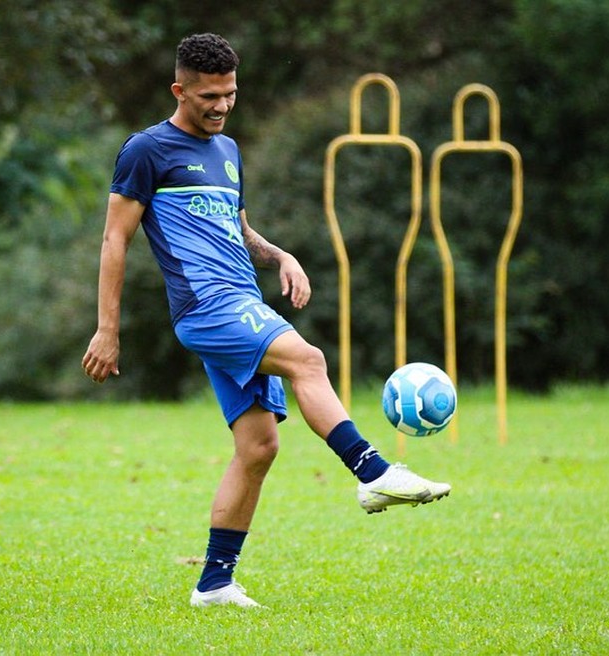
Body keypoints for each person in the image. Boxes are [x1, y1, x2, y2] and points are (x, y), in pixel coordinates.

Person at [81, 33, 450, 609]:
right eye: (208, 96)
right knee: (309, 359)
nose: (222, 105)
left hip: (241, 298)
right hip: (207, 307)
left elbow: (239, 229)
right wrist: (108, 329)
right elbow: (114, 239)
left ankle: (215, 584)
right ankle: (373, 472)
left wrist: (280, 255)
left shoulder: (227, 152)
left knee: (258, 447)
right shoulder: (145, 151)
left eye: (229, 93)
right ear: (179, 90)